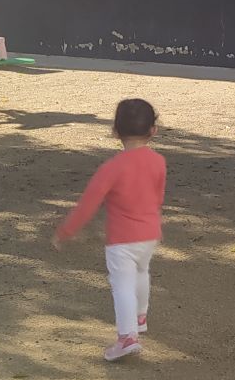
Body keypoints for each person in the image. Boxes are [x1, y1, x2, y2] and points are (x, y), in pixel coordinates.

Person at [52, 99, 167, 361]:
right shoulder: (158, 161)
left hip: (121, 239)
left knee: (122, 285)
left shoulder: (112, 168)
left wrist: (65, 231)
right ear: (153, 130)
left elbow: (88, 205)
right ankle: (140, 316)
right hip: (149, 233)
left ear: (115, 131)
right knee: (142, 272)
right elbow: (158, 196)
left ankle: (127, 337)